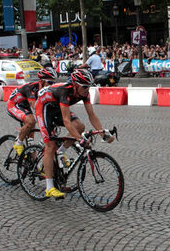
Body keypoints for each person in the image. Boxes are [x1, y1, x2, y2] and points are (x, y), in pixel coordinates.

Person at [34, 69, 114, 198]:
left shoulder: (85, 93)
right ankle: (49, 187)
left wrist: (103, 133)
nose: (87, 90)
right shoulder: (65, 92)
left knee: (80, 126)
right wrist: (79, 139)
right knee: (50, 145)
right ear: (75, 85)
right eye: (84, 87)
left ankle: (60, 151)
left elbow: (91, 115)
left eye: (89, 87)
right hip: (44, 108)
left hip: (58, 107)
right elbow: (66, 121)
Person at [6, 67, 57, 155]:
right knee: (31, 121)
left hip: (25, 105)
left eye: (53, 83)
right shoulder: (31, 88)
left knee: (31, 144)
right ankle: (18, 143)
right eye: (50, 82)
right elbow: (36, 107)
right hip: (14, 104)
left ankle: (33, 165)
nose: (51, 85)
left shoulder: (48, 90)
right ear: (41, 81)